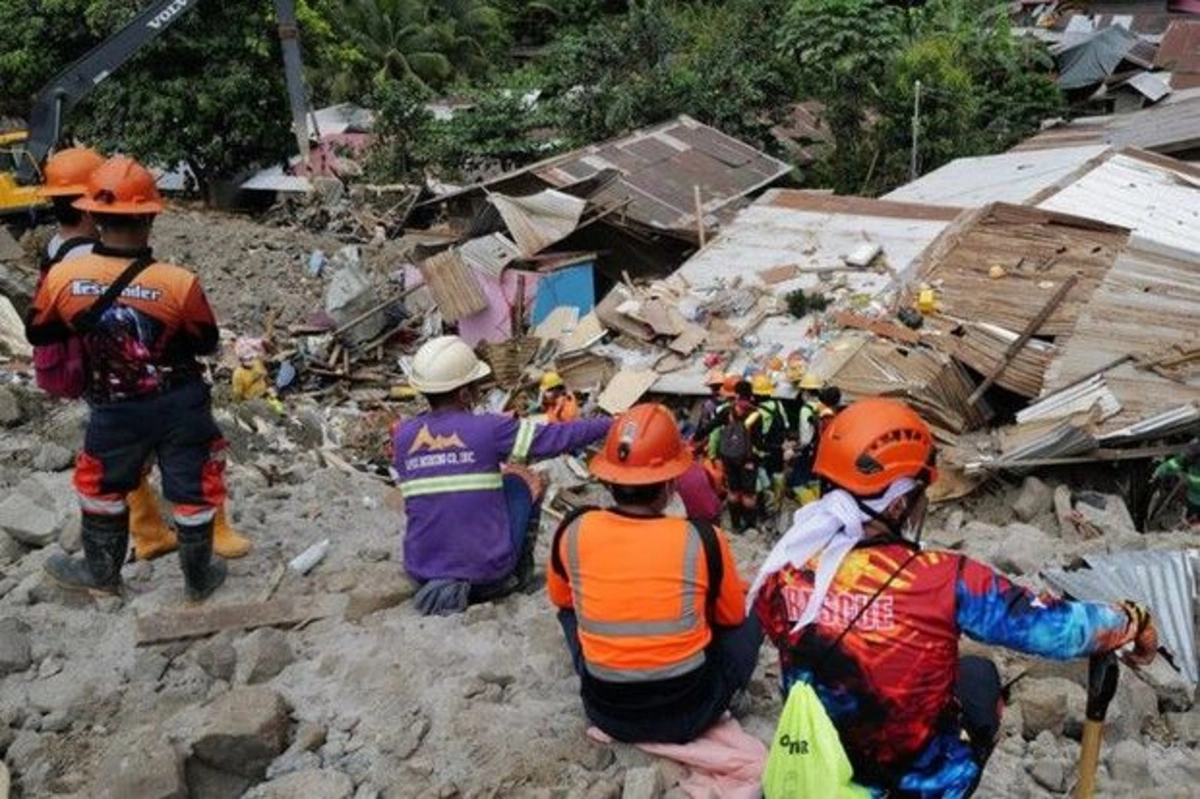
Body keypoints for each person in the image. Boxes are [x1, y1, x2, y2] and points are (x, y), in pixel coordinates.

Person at [750, 398, 1159, 798]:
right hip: (923, 784)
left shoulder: (782, 569)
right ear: (897, 504)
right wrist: (1133, 619)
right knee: (979, 675)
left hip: (815, 768)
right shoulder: (945, 578)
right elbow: (1058, 631)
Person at [26, 156, 231, 600]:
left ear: (94, 216)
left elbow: (40, 331)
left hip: (114, 406)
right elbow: (205, 342)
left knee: (101, 485)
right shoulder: (179, 282)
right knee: (193, 483)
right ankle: (199, 579)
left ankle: (103, 574)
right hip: (182, 404)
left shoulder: (63, 276)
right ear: (150, 217)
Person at [547, 403, 762, 743]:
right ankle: (729, 696)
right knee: (753, 613)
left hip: (606, 711)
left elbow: (562, 600)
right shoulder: (702, 538)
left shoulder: (574, 528)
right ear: (669, 485)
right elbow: (731, 616)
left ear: (609, 476)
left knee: (571, 612)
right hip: (689, 713)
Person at [394, 336, 610, 615]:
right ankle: (518, 577)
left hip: (422, 570)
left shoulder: (403, 437)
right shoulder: (488, 429)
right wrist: (609, 424)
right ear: (463, 394)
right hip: (487, 575)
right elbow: (557, 437)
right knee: (524, 479)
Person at [751, 373, 790, 528]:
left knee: (763, 481)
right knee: (778, 474)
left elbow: (761, 437)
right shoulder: (778, 404)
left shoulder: (759, 412)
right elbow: (786, 425)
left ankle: (766, 511)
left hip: (766, 452)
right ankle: (778, 502)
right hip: (779, 449)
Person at [1152, 439, 1200, 528]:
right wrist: (1161, 469)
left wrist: (1186, 477)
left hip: (1196, 496)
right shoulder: (1191, 453)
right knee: (1192, 518)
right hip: (1193, 499)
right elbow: (1176, 462)